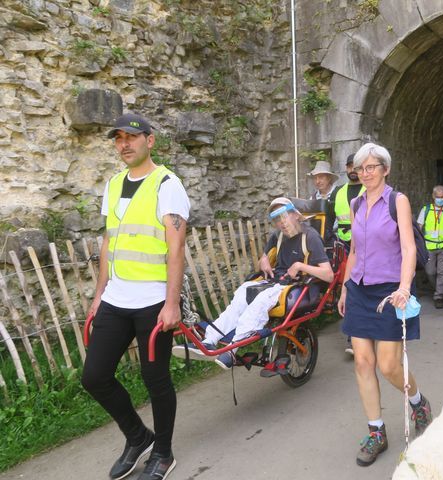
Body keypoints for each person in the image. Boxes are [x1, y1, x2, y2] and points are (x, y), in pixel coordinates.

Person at [81, 113, 190, 480]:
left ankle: (162, 452)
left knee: (155, 379)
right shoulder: (112, 185)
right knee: (94, 377)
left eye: (132, 136)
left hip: (153, 302)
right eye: (118, 138)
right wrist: (99, 296)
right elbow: (110, 243)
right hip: (116, 298)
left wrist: (172, 303)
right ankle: (137, 436)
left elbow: (176, 249)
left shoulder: (167, 184)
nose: (124, 144)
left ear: (150, 141)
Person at [337, 142, 432, 467]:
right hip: (360, 290)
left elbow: (408, 248)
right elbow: (354, 251)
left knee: (388, 365)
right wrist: (345, 290)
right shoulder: (355, 203)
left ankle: (418, 402)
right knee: (363, 362)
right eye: (361, 168)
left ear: (385, 169)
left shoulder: (398, 201)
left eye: (372, 167)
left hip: (392, 290)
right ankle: (376, 431)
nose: (365, 173)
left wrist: (405, 286)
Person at [175, 197, 334, 369]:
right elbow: (264, 258)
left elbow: (328, 275)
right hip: (275, 281)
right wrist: (263, 260)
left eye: (285, 216)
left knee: (260, 301)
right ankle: (209, 340)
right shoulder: (278, 236)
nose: (282, 222)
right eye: (277, 219)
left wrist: (299, 265)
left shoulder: (311, 237)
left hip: (297, 285)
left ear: (295, 215)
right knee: (241, 293)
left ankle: (231, 350)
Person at [330, 153, 365, 354]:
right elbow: (328, 218)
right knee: (350, 288)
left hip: (367, 247)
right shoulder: (339, 192)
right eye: (350, 166)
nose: (353, 170)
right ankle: (354, 338)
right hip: (344, 247)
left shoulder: (370, 190)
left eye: (356, 166)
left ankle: (362, 335)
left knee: (361, 289)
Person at [417, 185, 443, 309]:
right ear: (433, 197)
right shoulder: (426, 210)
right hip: (429, 246)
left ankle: (439, 296)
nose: (440, 199)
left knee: (442, 272)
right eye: (438, 197)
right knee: (430, 272)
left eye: (442, 197)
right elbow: (419, 227)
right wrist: (417, 244)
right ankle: (438, 288)